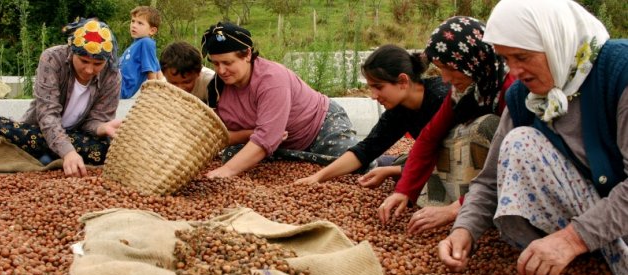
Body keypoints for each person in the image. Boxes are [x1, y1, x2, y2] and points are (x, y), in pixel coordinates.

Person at [438, 0, 628, 275]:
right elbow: (489, 181)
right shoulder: (524, 98)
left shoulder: (618, 72)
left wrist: (572, 239)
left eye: (522, 57)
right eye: (505, 59)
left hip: (614, 222)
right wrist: (464, 229)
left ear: (555, 39)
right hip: (591, 226)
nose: (514, 72)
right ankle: (589, 264)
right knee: (519, 143)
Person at [378, 16, 515, 234]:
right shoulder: (464, 91)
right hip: (481, 184)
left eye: (450, 68)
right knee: (448, 137)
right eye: (440, 68)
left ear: (473, 59)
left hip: (509, 180)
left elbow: (514, 164)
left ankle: (483, 210)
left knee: (487, 125)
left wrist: (456, 209)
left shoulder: (512, 89)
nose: (445, 79)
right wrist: (403, 190)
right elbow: (429, 137)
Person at [200, 22, 359, 178]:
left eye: (228, 63)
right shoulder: (216, 88)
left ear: (247, 54)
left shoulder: (272, 80)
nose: (221, 70)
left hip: (320, 127)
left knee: (356, 167)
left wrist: (227, 171)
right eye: (215, 63)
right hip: (280, 146)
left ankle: (382, 161)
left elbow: (266, 138)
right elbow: (219, 135)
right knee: (230, 155)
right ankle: (299, 158)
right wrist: (251, 134)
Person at [295, 44, 448, 186]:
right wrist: (317, 177)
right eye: (370, 87)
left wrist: (392, 171)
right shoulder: (399, 110)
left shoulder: (442, 99)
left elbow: (452, 158)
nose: (373, 96)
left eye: (378, 87)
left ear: (402, 81)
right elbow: (366, 150)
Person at [0, 18, 121, 177]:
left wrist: (101, 128)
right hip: (39, 130)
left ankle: (44, 155)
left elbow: (94, 121)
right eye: (83, 61)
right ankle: (53, 154)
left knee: (105, 149)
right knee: (5, 126)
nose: (89, 70)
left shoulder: (112, 76)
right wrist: (68, 152)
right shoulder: (52, 58)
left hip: (77, 136)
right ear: (72, 51)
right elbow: (47, 114)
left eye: (98, 64)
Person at [119, 6, 162, 99]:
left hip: (119, 88)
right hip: (115, 83)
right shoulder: (137, 44)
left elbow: (151, 71)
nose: (134, 25)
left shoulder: (146, 43)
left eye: (140, 23)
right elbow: (157, 68)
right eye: (133, 21)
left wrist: (154, 95)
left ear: (152, 30)